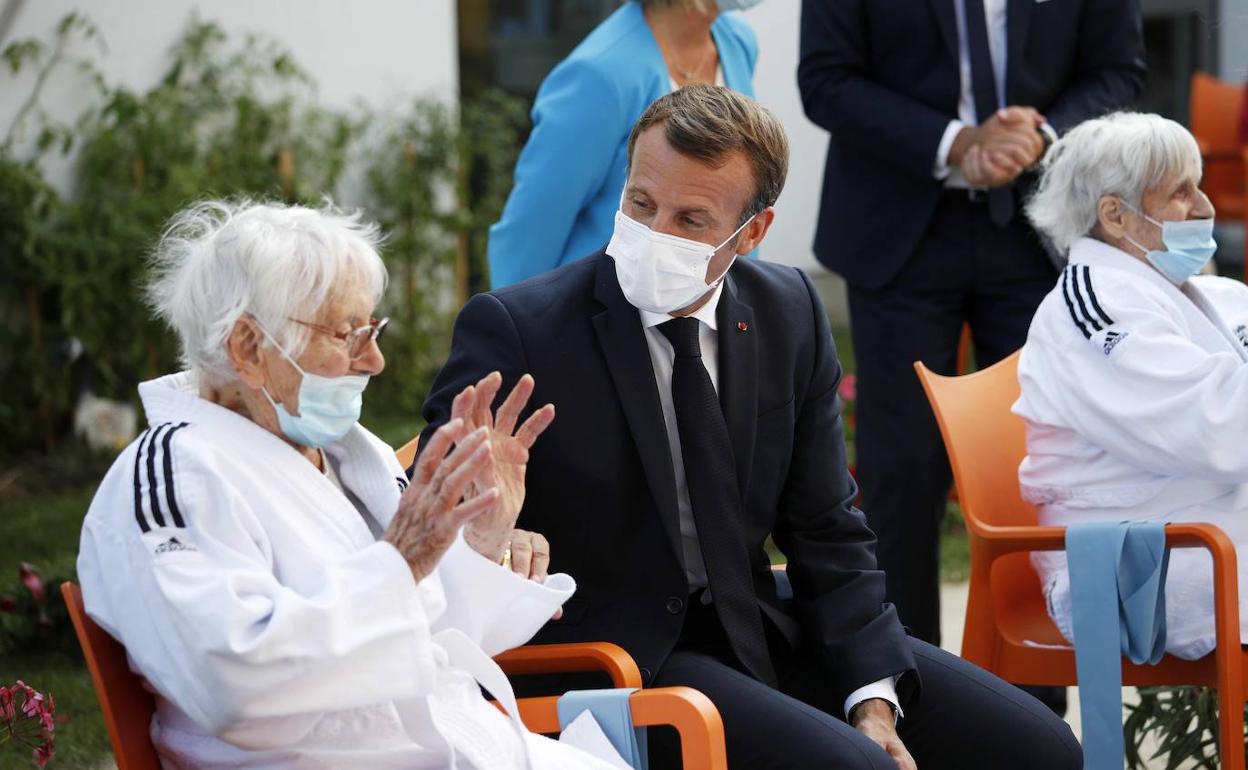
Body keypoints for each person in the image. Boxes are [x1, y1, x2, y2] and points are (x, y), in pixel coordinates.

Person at [422, 85, 1081, 770]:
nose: (654, 235)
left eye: (691, 220)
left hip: (760, 623)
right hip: (619, 655)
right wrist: (485, 532)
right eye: (640, 204)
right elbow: (424, 507)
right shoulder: (520, 329)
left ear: (753, 232)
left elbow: (828, 527)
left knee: (1041, 748)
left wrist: (870, 697)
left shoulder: (787, 310)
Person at [75, 200, 626, 769]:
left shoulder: (342, 454)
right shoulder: (177, 473)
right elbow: (237, 688)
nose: (376, 360)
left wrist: (482, 539)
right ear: (248, 347)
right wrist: (401, 559)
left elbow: (425, 636)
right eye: (347, 334)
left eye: (372, 329)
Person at [797, 0, 1146, 648]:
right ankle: (904, 687)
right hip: (898, 226)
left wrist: (1039, 136)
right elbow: (826, 80)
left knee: (1041, 467)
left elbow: (1117, 71)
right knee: (901, 471)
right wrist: (957, 141)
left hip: (1038, 227)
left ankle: (1032, 705)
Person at [1015, 112, 1248, 660]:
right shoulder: (1093, 309)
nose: (1205, 207)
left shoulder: (1210, 291)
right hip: (1140, 563)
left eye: (1200, 184)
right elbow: (1219, 429)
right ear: (1115, 215)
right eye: (1180, 192)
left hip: (1207, 531)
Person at [487, 0, 759, 289]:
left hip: (705, 303)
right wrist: (515, 326)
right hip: (608, 310)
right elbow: (531, 229)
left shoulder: (735, 41)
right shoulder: (599, 73)